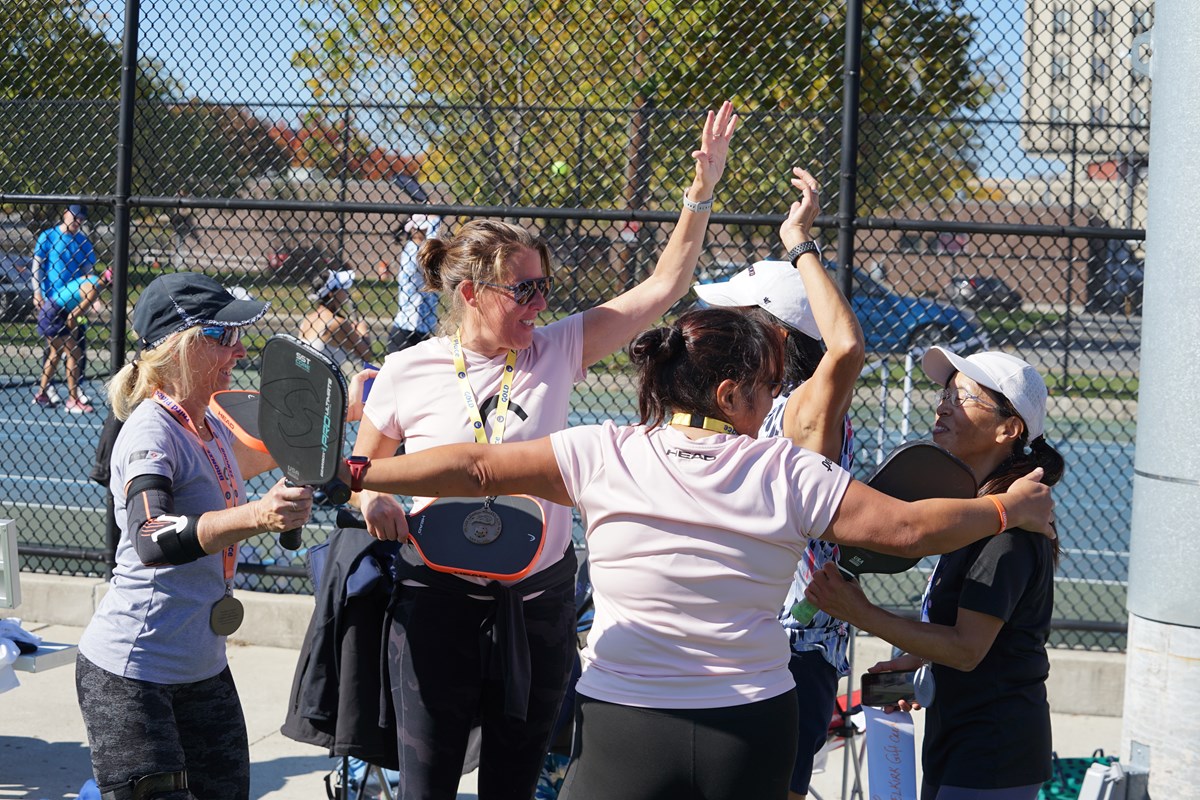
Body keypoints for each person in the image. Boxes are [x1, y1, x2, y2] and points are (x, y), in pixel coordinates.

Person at [340, 307, 1056, 800]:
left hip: (625, 723)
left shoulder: (602, 451)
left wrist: (358, 470)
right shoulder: (784, 470)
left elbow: (475, 469)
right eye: (771, 384)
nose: (778, 397)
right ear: (729, 392)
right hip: (750, 728)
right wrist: (1005, 508)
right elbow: (909, 530)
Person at [351, 101, 740, 800]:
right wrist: (374, 497)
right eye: (524, 289)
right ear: (471, 292)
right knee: (427, 785)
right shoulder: (410, 368)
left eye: (545, 288)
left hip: (535, 604)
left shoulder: (559, 348)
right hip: (434, 597)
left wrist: (700, 193)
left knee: (516, 783)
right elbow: (361, 468)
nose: (540, 303)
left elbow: (664, 287)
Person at [74, 272, 316, 800]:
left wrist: (342, 425)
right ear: (184, 347)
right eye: (225, 336)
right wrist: (259, 515)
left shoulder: (204, 423)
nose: (240, 348)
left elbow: (245, 464)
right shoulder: (149, 431)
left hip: (202, 666)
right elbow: (152, 536)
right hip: (133, 676)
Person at [805, 347, 1064, 800]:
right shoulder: (983, 516)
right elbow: (964, 635)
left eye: (964, 397)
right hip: (961, 740)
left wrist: (860, 612)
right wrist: (917, 662)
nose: (944, 403)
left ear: (1009, 429)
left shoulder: (1009, 534)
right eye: (945, 393)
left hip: (994, 751)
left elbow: (967, 649)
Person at [692, 166, 865, 800]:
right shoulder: (748, 403)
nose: (718, 328)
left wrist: (799, 243)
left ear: (776, 335)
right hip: (753, 636)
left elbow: (845, 350)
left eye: (736, 318)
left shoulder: (801, 412)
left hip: (789, 647)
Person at [32, 203, 97, 410]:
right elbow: (37, 266)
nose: (78, 222)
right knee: (55, 348)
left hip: (75, 302)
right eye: (75, 217)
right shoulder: (48, 236)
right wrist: (37, 292)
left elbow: (89, 272)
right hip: (52, 302)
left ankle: (75, 387)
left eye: (81, 220)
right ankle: (50, 389)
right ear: (65, 214)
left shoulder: (83, 242)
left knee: (79, 343)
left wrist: (89, 302)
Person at [298, 268, 375, 375]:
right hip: (322, 383)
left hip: (307, 378)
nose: (346, 292)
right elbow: (366, 355)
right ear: (331, 294)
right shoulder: (338, 323)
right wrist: (363, 331)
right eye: (342, 288)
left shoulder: (308, 319)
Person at [388, 213, 440, 354]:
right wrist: (435, 219)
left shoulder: (417, 248)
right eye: (420, 229)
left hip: (418, 327)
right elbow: (432, 246)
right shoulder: (414, 250)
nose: (422, 232)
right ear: (412, 230)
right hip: (408, 328)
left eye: (425, 229)